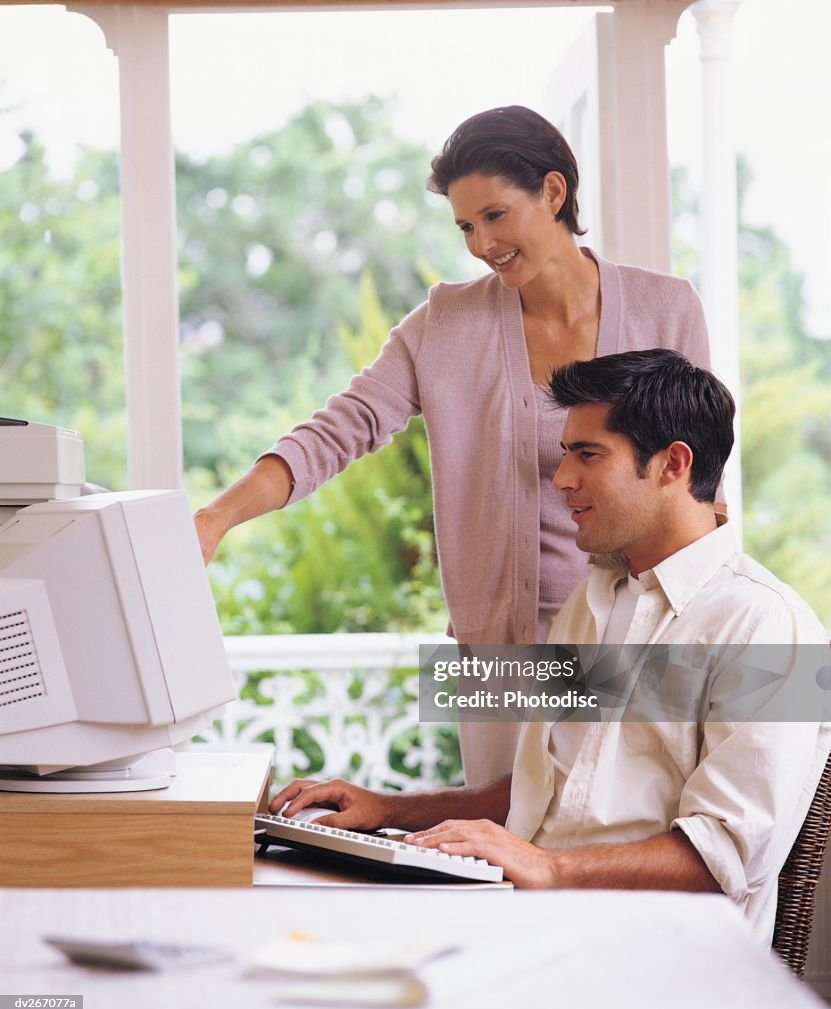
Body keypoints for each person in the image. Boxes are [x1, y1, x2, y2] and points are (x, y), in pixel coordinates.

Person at [194, 105, 721, 785]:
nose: (480, 244)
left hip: (635, 642)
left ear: (553, 192)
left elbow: (701, 483)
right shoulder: (445, 324)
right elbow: (336, 430)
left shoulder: (667, 309)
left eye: (495, 216)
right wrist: (217, 517)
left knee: (612, 855)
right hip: (493, 658)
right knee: (500, 851)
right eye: (465, 226)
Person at [270, 350, 831, 944]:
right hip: (537, 927)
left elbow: (727, 859)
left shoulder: (771, 627)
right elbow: (551, 788)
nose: (562, 478)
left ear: (673, 464)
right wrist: (387, 809)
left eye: (587, 454)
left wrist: (549, 867)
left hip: (657, 960)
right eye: (566, 453)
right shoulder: (591, 602)